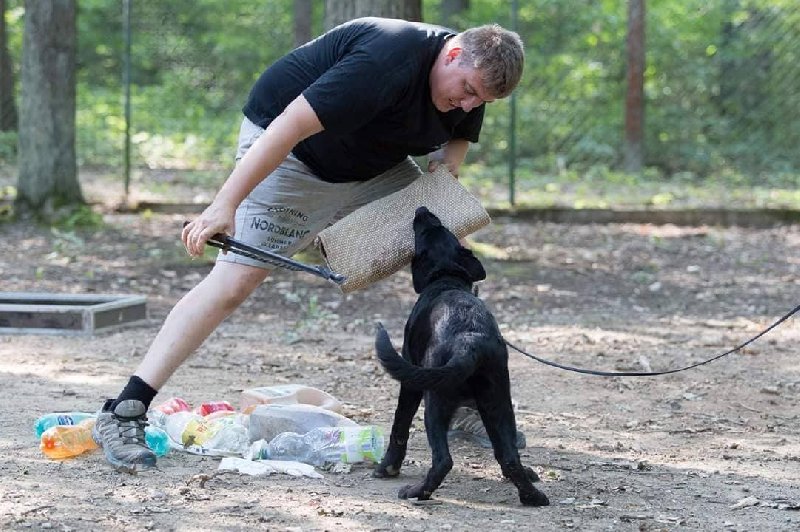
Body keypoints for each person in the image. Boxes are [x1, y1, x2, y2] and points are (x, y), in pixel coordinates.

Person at [92, 16, 525, 472]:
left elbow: (455, 139)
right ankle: (125, 410)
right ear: (454, 53)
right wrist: (225, 205)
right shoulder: (387, 59)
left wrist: (443, 183)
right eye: (468, 90)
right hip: (293, 156)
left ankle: (461, 395)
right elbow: (288, 127)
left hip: (373, 164)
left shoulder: (473, 75)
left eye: (481, 99)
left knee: (450, 250)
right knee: (234, 284)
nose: (469, 103)